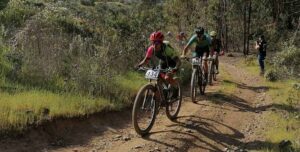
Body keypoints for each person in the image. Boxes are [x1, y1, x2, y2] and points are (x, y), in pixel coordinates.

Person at [137, 31, 181, 97]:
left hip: (173, 62)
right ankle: (163, 94)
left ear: (160, 43)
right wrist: (139, 65)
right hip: (164, 62)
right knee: (158, 76)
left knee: (167, 78)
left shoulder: (167, 50)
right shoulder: (151, 49)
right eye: (153, 42)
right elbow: (146, 60)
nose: (154, 45)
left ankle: (175, 88)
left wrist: (175, 68)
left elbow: (178, 61)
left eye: (156, 43)